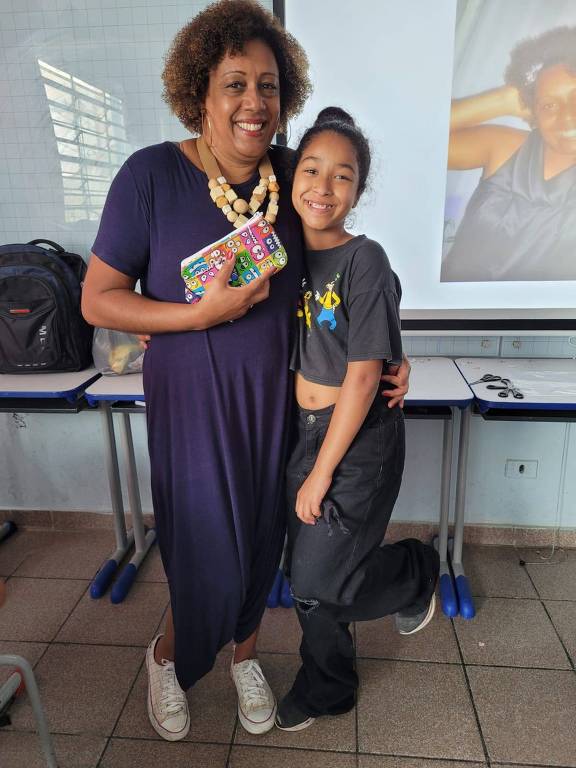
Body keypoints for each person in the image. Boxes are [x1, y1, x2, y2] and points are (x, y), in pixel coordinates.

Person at [81, 0, 411, 744]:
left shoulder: (293, 176)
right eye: (235, 84)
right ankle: (166, 656)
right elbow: (98, 301)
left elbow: (350, 269)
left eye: (267, 86)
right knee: (203, 549)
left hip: (282, 407)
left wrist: (391, 350)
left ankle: (245, 657)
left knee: (264, 544)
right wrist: (196, 316)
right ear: (199, 89)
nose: (253, 103)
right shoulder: (151, 177)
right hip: (192, 404)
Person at [276, 108, 439, 732]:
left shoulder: (363, 257)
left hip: (356, 436)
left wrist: (319, 475)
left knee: (317, 581)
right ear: (293, 177)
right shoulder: (280, 251)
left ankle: (414, 573)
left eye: (342, 176)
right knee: (310, 575)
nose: (323, 185)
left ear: (358, 191)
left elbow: (367, 374)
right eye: (312, 169)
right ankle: (331, 687)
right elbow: (219, 307)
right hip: (299, 428)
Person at [442, 25, 576, 282]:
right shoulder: (505, 147)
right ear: (532, 111)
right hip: (456, 315)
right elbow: (417, 137)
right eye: (549, 105)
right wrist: (505, 100)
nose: (567, 117)